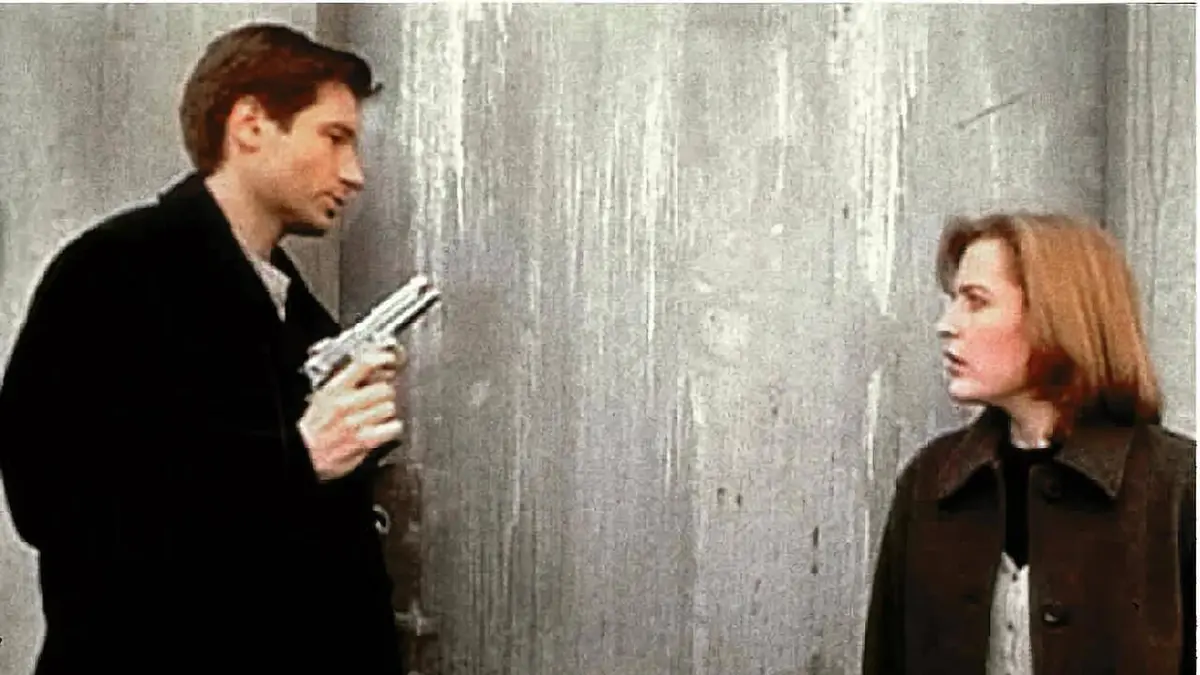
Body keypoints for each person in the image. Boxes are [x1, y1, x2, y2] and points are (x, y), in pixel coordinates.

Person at [0, 23, 408, 674]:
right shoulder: (111, 272)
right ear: (250, 124)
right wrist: (297, 456)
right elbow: (55, 500)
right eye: (334, 138)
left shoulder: (299, 316)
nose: (353, 174)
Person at [862, 213, 1195, 675]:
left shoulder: (1179, 490)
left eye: (976, 301)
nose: (946, 324)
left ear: (1055, 316)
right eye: (953, 301)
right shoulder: (930, 482)